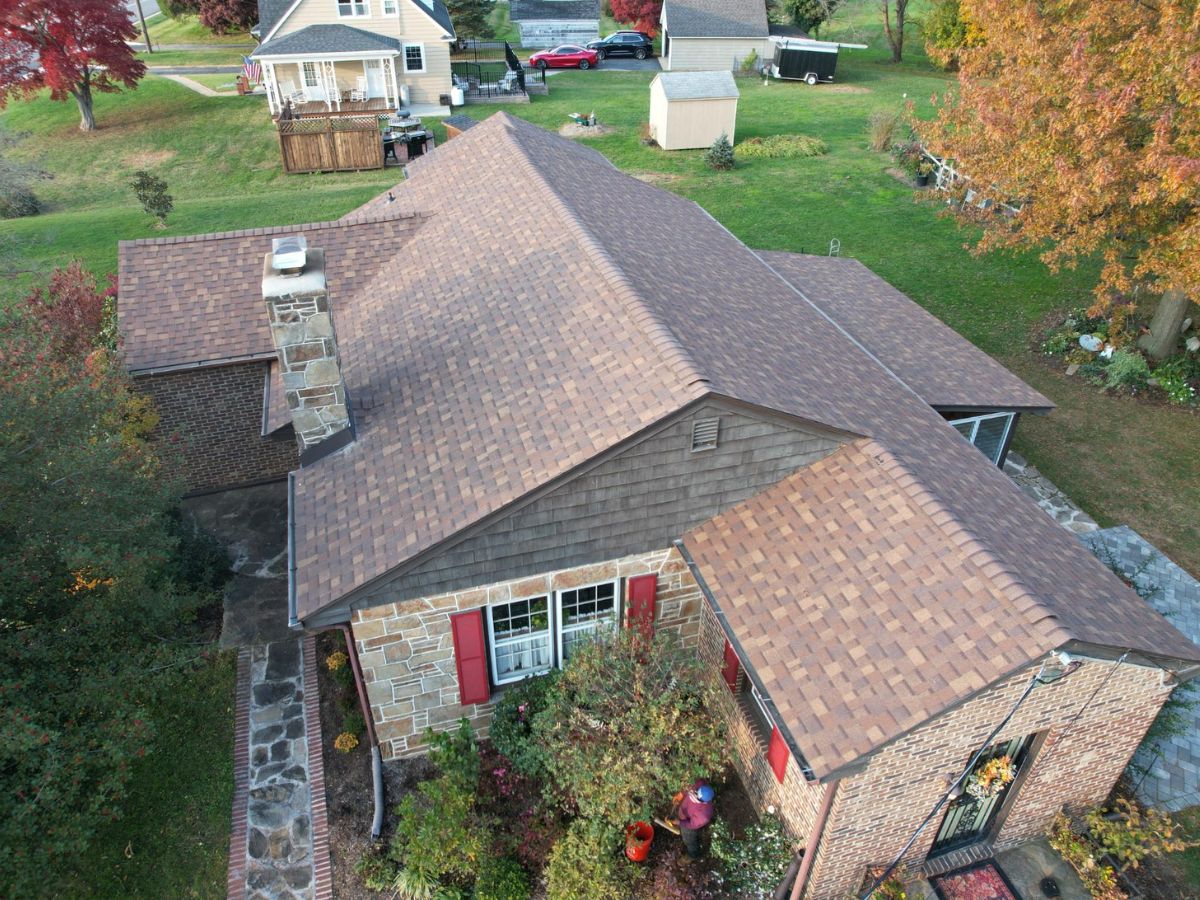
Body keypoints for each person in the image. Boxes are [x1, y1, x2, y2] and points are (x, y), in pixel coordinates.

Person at [676, 780, 715, 858]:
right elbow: (689, 787)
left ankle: (693, 855)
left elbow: (692, 825)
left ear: (702, 800)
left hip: (688, 825)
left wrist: (679, 822)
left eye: (696, 794)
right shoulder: (700, 785)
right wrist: (681, 794)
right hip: (683, 813)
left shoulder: (704, 814)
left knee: (689, 840)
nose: (694, 793)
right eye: (696, 791)